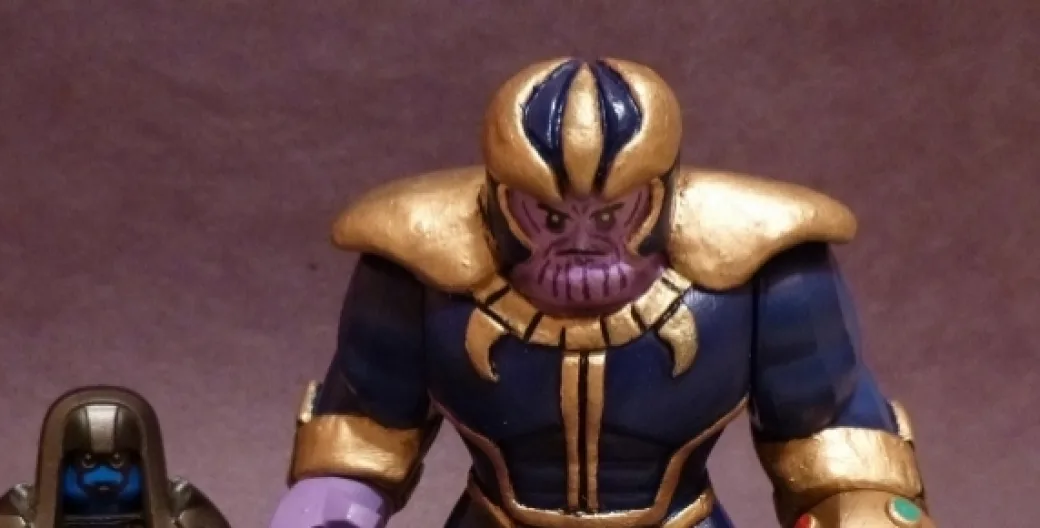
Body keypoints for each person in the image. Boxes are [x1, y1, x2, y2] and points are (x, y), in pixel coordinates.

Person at [269, 57, 934, 528]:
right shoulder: (418, 270)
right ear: (499, 202)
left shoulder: (767, 273)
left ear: (663, 196)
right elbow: (362, 437)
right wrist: (326, 511)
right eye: (549, 217)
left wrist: (866, 513)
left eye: (613, 214)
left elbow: (832, 442)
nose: (582, 243)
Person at [0, 385, 231, 528]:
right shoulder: (19, 513)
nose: (102, 477)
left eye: (118, 461)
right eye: (87, 462)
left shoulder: (182, 506)